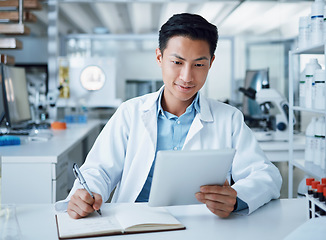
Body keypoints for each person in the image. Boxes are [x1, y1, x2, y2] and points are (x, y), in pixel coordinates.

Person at [55, 13, 282, 219]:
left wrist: (236, 199)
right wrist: (85, 195)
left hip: (202, 225)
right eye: (177, 62)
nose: (187, 76)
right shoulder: (130, 112)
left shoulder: (229, 119)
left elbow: (266, 175)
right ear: (159, 58)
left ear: (211, 63)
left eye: (199, 64)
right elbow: (99, 170)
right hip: (134, 224)